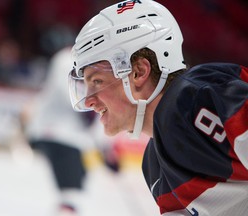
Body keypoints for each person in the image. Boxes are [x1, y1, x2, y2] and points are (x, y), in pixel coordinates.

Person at [67, 0, 248, 215]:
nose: (88, 100)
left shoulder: (199, 98)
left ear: (138, 72)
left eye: (96, 81)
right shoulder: (154, 164)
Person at [22, 47, 97, 216]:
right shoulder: (67, 58)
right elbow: (70, 95)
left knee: (76, 186)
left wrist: (105, 148)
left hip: (68, 137)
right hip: (57, 135)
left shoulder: (94, 64)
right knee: (71, 194)